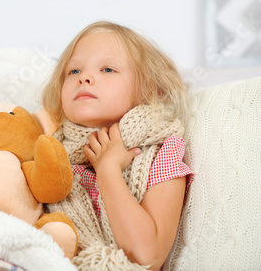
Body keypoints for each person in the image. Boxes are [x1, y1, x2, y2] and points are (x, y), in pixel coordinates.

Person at [42, 21, 194, 270]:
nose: (85, 78)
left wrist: (108, 168)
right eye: (74, 71)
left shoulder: (161, 154)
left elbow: (147, 256)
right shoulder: (50, 151)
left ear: (150, 90)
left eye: (108, 69)